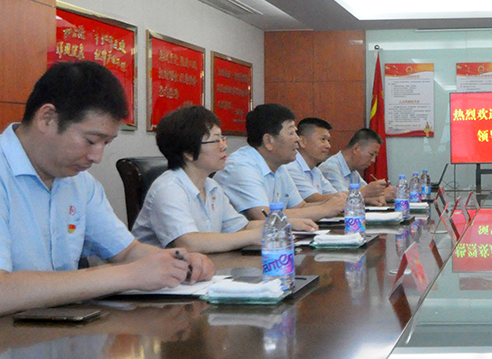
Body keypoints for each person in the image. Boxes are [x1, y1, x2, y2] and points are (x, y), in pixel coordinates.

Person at [0, 61, 214, 330]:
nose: (97, 156)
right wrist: (128, 275)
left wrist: (178, 261)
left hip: (56, 332)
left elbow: (127, 251)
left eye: (106, 143)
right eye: (91, 140)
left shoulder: (79, 183)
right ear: (47, 118)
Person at [132, 105, 316, 253]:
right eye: (215, 141)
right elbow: (188, 243)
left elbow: (241, 227)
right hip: (157, 283)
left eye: (223, 139)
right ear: (188, 152)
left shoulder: (211, 186)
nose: (224, 147)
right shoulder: (169, 188)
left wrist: (283, 223)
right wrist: (254, 236)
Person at [213, 103, 344, 221]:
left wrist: (336, 202)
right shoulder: (242, 166)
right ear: (268, 141)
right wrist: (325, 209)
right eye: (291, 133)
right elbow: (264, 215)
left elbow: (300, 207)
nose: (298, 139)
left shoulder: (279, 166)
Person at [320, 128, 393, 205]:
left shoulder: (353, 171)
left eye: (375, 156)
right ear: (356, 148)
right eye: (371, 154)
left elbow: (367, 195)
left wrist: (378, 195)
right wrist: (382, 194)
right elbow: (342, 200)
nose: (373, 160)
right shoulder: (330, 168)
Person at [282, 117, 346, 205]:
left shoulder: (315, 170)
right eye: (323, 139)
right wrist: (351, 197)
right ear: (302, 142)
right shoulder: (291, 167)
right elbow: (314, 199)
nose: (328, 146)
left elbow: (334, 194)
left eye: (328, 140)